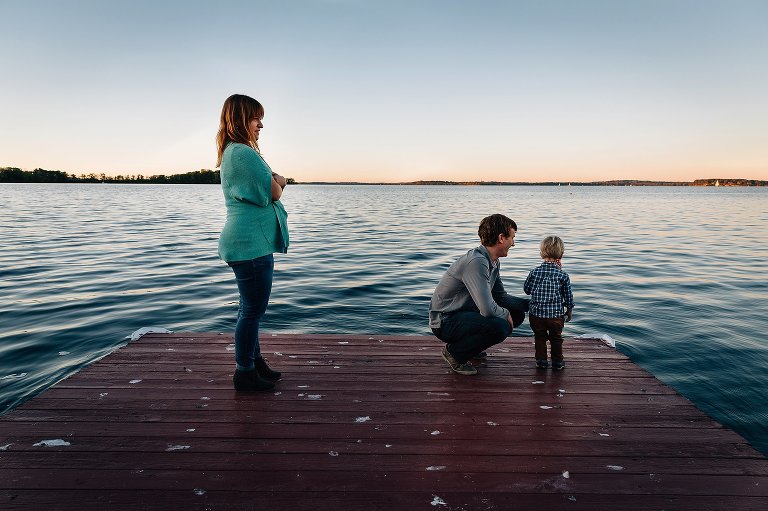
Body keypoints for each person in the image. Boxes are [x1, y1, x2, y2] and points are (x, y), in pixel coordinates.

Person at [216, 94, 289, 391]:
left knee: (249, 307)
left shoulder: (235, 152)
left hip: (248, 242)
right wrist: (281, 180)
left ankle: (254, 361)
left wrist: (274, 179)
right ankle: (244, 372)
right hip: (250, 245)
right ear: (240, 119)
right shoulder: (243, 153)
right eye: (256, 118)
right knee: (252, 311)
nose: (261, 125)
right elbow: (274, 190)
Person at [429, 214, 529, 375]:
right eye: (512, 237)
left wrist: (530, 304)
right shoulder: (477, 262)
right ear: (501, 238)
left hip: (464, 314)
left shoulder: (493, 261)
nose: (514, 243)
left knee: (517, 314)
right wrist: (505, 314)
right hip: (445, 321)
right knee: (501, 326)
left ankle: (471, 347)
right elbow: (488, 310)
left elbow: (500, 297)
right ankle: (454, 353)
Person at [523, 235, 574, 370]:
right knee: (556, 338)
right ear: (561, 254)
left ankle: (541, 361)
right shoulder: (563, 275)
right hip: (555, 316)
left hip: (536, 314)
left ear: (541, 254)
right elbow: (568, 296)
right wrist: (569, 309)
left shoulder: (534, 272)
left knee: (540, 338)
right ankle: (557, 362)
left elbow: (527, 290)